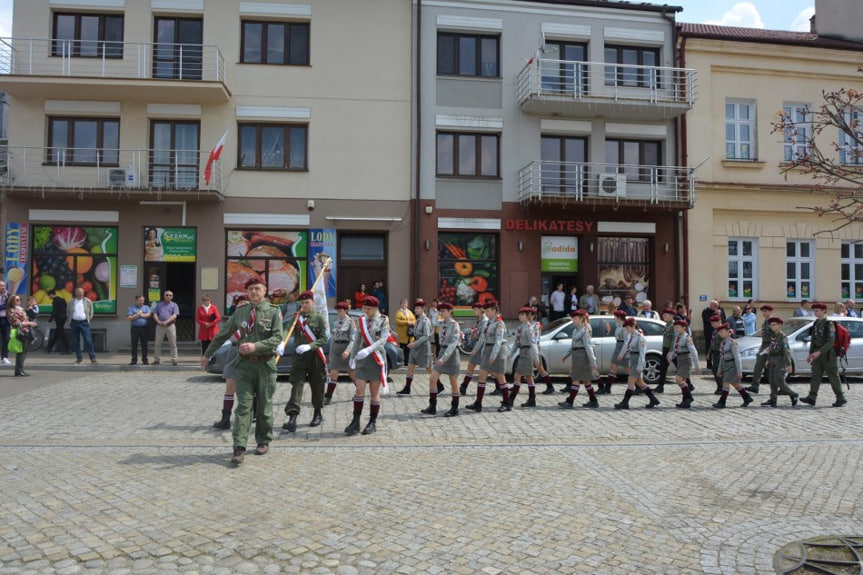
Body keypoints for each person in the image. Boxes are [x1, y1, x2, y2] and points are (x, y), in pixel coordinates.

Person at [202, 277, 284, 465]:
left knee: (264, 406)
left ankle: (263, 440)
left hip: (265, 365)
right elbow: (223, 333)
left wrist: (256, 346)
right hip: (244, 366)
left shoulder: (273, 312)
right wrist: (207, 354)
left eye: (257, 289)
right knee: (243, 407)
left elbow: (278, 337)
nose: (254, 292)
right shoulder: (240, 313)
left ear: (264, 291)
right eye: (250, 289)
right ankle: (239, 447)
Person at [282, 290, 329, 431]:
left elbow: (323, 338)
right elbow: (287, 330)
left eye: (307, 302)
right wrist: (282, 342)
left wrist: (310, 346)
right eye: (302, 303)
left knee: (317, 385)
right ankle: (293, 417)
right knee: (297, 385)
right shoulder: (296, 317)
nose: (304, 305)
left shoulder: (318, 318)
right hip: (299, 357)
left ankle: (317, 413)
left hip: (315, 356)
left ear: (313, 302)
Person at [345, 295, 389, 435]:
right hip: (362, 358)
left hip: (376, 357)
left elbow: (383, 339)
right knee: (359, 390)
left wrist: (370, 349)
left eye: (368, 308)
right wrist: (352, 357)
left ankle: (372, 422)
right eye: (364, 308)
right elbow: (357, 339)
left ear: (375, 308)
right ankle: (355, 421)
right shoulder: (361, 321)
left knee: (374, 392)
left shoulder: (383, 320)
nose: (365, 311)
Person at [212, 294, 250, 430]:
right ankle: (225, 418)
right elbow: (222, 335)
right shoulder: (233, 320)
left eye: (245, 302)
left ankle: (254, 414)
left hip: (248, 353)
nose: (243, 304)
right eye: (240, 303)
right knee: (229, 387)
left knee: (252, 388)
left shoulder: (254, 318)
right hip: (234, 352)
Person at [799, 302, 847, 407]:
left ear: (824, 311)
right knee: (815, 375)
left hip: (828, 355)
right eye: (814, 311)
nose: (815, 313)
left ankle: (840, 397)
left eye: (817, 310)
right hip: (817, 355)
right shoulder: (816, 323)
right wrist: (810, 353)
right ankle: (812, 397)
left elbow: (831, 341)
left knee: (833, 376)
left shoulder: (829, 324)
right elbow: (813, 339)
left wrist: (819, 352)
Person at [466, 300, 509, 413]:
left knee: (500, 377)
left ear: (495, 311)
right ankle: (478, 403)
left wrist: (493, 355)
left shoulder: (499, 323)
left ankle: (506, 402)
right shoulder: (490, 322)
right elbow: (483, 338)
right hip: (488, 349)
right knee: (482, 375)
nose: (487, 313)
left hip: (498, 351)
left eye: (488, 311)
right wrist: (476, 350)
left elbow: (499, 341)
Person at [614, 318, 661, 409]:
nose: (627, 330)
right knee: (640, 383)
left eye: (628, 328)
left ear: (633, 327)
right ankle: (653, 399)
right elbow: (627, 347)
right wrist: (621, 355)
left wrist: (640, 365)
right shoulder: (631, 336)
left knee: (630, 381)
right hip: (632, 359)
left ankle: (625, 402)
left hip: (637, 360)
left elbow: (642, 353)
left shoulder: (640, 337)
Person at [424, 303, 462, 417]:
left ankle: (454, 408)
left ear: (450, 311)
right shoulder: (441, 323)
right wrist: (434, 313)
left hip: (451, 354)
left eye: (443, 311)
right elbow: (433, 321)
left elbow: (453, 343)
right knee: (433, 378)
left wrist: (444, 358)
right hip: (442, 352)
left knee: (453, 382)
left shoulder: (454, 325)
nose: (441, 313)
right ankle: (432, 406)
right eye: (440, 311)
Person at [558, 309, 601, 409]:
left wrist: (593, 362)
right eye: (573, 318)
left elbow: (588, 346)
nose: (573, 320)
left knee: (576, 379)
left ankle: (570, 401)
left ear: (582, 319)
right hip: (576, 355)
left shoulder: (585, 331)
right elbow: (573, 345)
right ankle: (593, 400)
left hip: (582, 356)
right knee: (586, 380)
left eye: (576, 318)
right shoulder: (575, 330)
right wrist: (566, 354)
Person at [712, 323, 754, 409]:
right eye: (719, 333)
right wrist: (719, 369)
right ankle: (747, 397)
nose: (720, 334)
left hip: (732, 365)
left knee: (725, 383)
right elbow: (722, 357)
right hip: (725, 365)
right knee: (736, 384)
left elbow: (737, 357)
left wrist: (739, 371)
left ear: (728, 332)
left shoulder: (732, 343)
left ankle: (722, 402)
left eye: (722, 332)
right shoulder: (722, 343)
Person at [760, 317, 799, 407]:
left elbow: (786, 350)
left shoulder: (782, 336)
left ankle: (793, 393)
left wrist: (789, 364)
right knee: (772, 380)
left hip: (780, 360)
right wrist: (768, 359)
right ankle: (773, 399)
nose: (772, 327)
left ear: (780, 325)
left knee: (779, 380)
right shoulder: (773, 336)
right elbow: (771, 347)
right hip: (773, 359)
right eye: (771, 325)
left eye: (774, 325)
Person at [402, 299, 436, 398]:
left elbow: (426, 336)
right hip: (416, 345)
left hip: (423, 346)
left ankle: (439, 385)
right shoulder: (418, 320)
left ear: (423, 309)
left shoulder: (426, 321)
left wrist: (415, 343)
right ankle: (407, 388)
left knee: (428, 368)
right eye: (415, 308)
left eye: (418, 308)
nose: (416, 310)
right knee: (410, 366)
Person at [324, 301, 356, 405]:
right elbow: (333, 339)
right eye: (337, 310)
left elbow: (353, 339)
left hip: (346, 348)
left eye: (341, 310)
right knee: (333, 373)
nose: (338, 312)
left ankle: (360, 391)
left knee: (351, 373)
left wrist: (348, 351)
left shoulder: (351, 322)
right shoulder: (335, 323)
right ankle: (328, 396)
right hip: (336, 349)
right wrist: (330, 352)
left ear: (346, 311)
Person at [507, 307, 540, 408]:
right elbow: (517, 343)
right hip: (522, 352)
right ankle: (532, 399)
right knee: (529, 377)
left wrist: (536, 358)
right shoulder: (520, 327)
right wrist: (511, 354)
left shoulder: (529, 328)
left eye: (523, 315)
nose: (520, 317)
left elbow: (533, 344)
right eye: (519, 315)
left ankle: (511, 400)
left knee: (518, 375)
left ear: (527, 316)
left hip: (527, 352)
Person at [668, 319, 700, 408]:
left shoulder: (687, 338)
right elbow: (676, 349)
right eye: (675, 328)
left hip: (686, 359)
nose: (676, 329)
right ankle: (685, 400)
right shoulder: (677, 337)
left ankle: (689, 397)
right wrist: (671, 357)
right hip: (679, 359)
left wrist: (697, 366)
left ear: (684, 328)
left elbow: (694, 352)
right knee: (683, 381)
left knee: (678, 379)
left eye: (678, 328)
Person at [459, 302, 488, 395]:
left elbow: (483, 337)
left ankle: (500, 386)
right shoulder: (478, 320)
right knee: (471, 365)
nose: (474, 312)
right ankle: (464, 386)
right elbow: (476, 332)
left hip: (482, 346)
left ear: (481, 310)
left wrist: (475, 349)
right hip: (477, 345)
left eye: (475, 310)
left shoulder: (485, 321)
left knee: (489, 369)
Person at [745, 305, 774, 393]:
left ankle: (782, 388)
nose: (764, 313)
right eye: (763, 311)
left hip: (770, 346)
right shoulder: (765, 322)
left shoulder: (772, 322)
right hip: (764, 346)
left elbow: (774, 337)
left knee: (773, 368)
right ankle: (755, 386)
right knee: (758, 366)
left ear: (771, 312)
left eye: (766, 311)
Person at [601, 310, 629, 394]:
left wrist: (622, 353)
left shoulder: (625, 327)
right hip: (618, 346)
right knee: (613, 367)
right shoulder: (619, 325)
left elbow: (626, 342)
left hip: (623, 347)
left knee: (628, 369)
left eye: (615, 317)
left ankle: (639, 385)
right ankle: (607, 387)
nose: (614, 318)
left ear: (619, 318)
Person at [67, 287, 97, 365]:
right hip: (74, 323)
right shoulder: (71, 302)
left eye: (82, 293)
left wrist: (87, 320)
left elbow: (91, 312)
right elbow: (68, 312)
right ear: (75, 293)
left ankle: (93, 358)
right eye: (79, 293)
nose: (81, 294)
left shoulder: (87, 301)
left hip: (84, 323)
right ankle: (79, 358)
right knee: (76, 341)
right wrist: (70, 321)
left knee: (88, 340)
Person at [8, 295, 36, 376]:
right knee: (21, 352)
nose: (19, 300)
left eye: (19, 299)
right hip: (20, 332)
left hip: (26, 331)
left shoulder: (20, 309)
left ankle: (20, 370)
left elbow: (25, 318)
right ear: (12, 301)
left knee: (24, 352)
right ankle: (19, 371)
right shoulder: (11, 310)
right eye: (17, 299)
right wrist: (30, 323)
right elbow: (16, 323)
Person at [152, 291, 179, 365]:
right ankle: (157, 360)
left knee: (173, 343)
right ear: (164, 296)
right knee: (157, 343)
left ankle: (174, 359)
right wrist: (159, 322)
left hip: (170, 325)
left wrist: (167, 321)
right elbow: (155, 314)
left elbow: (175, 315)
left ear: (172, 297)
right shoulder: (159, 305)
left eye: (170, 295)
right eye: (167, 295)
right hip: (160, 326)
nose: (169, 296)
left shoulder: (174, 305)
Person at [126, 295, 151, 365]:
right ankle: (134, 360)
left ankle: (145, 360)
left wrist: (141, 315)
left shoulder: (146, 307)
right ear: (136, 300)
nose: (142, 302)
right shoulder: (131, 307)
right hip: (135, 328)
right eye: (140, 300)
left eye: (143, 300)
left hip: (144, 328)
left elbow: (149, 315)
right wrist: (137, 315)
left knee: (144, 345)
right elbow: (129, 318)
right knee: (134, 345)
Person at [45, 289, 70, 354]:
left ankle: (68, 349)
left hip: (58, 319)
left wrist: (49, 320)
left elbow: (54, 312)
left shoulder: (55, 301)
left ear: (51, 294)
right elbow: (66, 308)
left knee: (61, 334)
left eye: (49, 295)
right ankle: (49, 348)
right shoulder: (63, 299)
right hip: (63, 318)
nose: (49, 297)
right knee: (57, 333)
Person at [394, 298, 416, 367]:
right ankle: (401, 361)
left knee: (408, 349)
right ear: (400, 304)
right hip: (402, 334)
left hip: (409, 334)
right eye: (403, 303)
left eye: (405, 303)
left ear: (407, 305)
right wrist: (407, 322)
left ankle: (407, 362)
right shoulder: (398, 312)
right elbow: (398, 321)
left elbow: (414, 320)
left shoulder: (409, 312)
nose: (404, 305)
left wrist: (412, 323)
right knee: (402, 348)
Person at [0, 280, 10, 364]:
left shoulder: (8, 296)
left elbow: (10, 305)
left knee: (6, 339)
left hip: (6, 320)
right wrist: (4, 306)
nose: (2, 287)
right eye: (0, 285)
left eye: (3, 285)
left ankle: (4, 357)